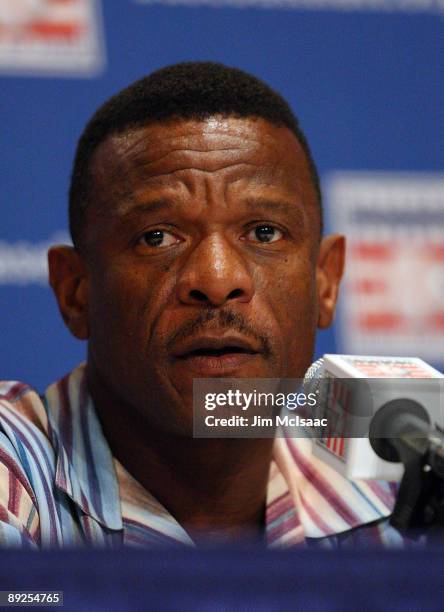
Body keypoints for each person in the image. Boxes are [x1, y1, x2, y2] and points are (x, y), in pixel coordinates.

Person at [0, 62, 406, 549]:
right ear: (75, 292)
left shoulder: (404, 457)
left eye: (263, 233)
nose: (217, 280)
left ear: (326, 281)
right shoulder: (15, 463)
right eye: (157, 237)